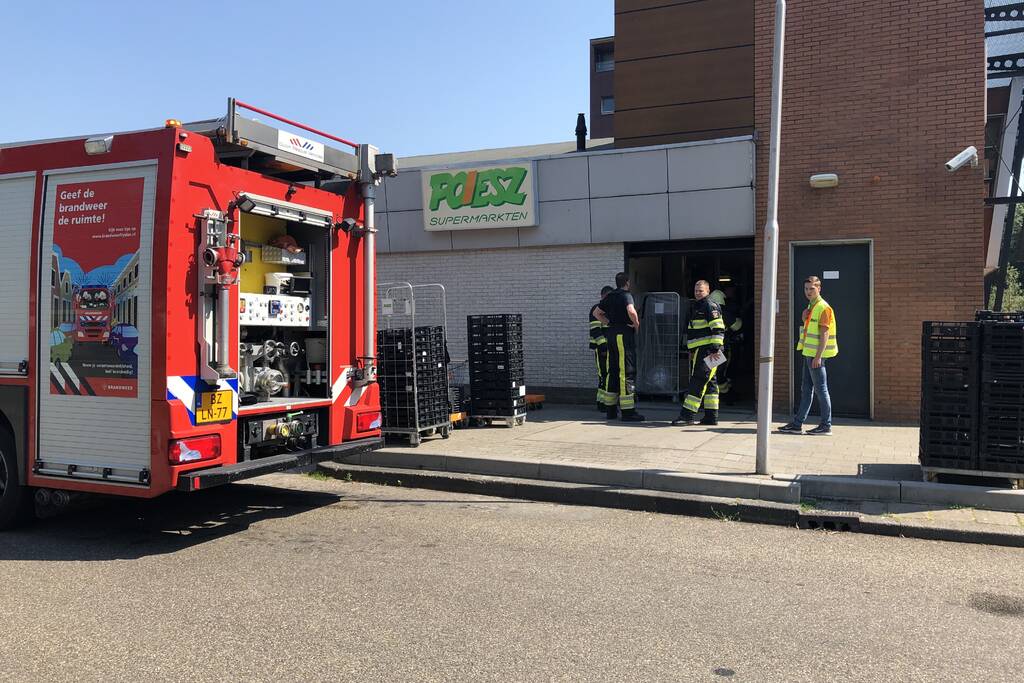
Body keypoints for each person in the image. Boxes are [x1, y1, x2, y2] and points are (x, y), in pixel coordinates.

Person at [778, 275, 838, 435]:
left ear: (819, 288)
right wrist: (804, 317)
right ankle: (797, 424)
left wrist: (818, 357)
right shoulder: (811, 306)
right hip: (809, 354)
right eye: (806, 288)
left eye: (812, 288)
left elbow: (824, 334)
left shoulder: (823, 307)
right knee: (806, 389)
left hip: (815, 357)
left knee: (821, 390)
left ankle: (826, 425)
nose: (808, 292)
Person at [593, 272, 645, 422]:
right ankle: (628, 412)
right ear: (627, 283)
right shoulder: (626, 295)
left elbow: (597, 313)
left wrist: (609, 323)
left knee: (613, 371)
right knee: (626, 371)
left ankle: (611, 410)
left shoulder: (609, 296)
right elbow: (631, 311)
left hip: (611, 335)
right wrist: (636, 325)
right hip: (624, 335)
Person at [673, 280, 726, 426]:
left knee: (698, 381)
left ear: (707, 291)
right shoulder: (697, 306)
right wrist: (691, 350)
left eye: (701, 290)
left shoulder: (710, 305)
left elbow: (718, 328)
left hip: (709, 351)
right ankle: (711, 416)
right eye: (696, 290)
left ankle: (687, 415)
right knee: (710, 384)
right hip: (701, 351)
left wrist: (715, 348)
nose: (697, 293)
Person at [589, 286, 614, 411]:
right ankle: (602, 403)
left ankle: (603, 402)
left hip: (609, 348)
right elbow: (595, 330)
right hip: (601, 349)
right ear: (603, 296)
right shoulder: (597, 310)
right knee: (603, 374)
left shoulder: (609, 310)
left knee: (608, 374)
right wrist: (603, 346)